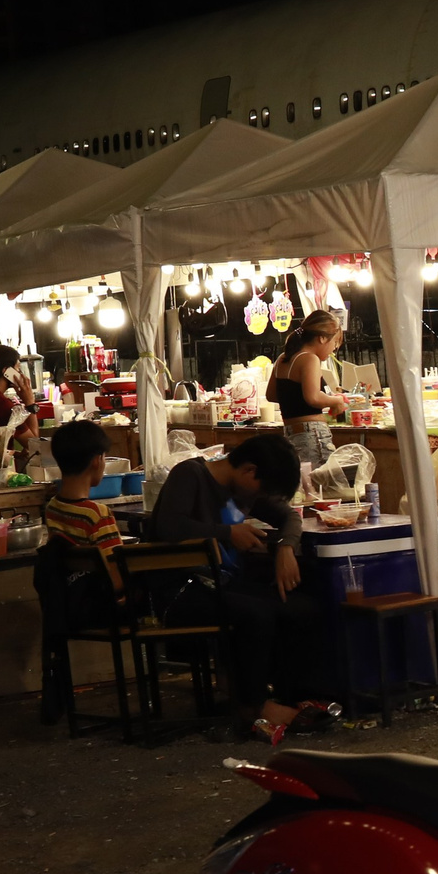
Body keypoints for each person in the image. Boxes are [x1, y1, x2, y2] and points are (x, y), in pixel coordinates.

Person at [148, 431, 331, 744]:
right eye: (264, 488)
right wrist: (227, 532)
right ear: (249, 470)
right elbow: (168, 526)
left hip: (223, 584)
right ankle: (253, 707)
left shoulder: (247, 488)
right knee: (255, 614)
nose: (261, 497)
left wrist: (286, 547)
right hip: (179, 589)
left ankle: (294, 696)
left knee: (301, 607)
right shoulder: (190, 474)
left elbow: (289, 516)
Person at [42, 419, 124, 595]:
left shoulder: (52, 507)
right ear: (96, 460)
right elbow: (116, 577)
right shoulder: (97, 514)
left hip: (71, 599)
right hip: (100, 603)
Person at [268, 310, 350, 468]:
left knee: (302, 481)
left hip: (291, 433)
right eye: (335, 342)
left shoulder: (282, 359)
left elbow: (272, 395)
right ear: (322, 338)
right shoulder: (310, 358)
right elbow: (313, 397)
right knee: (319, 481)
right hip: (313, 435)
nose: (334, 348)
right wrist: (336, 401)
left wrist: (300, 395)